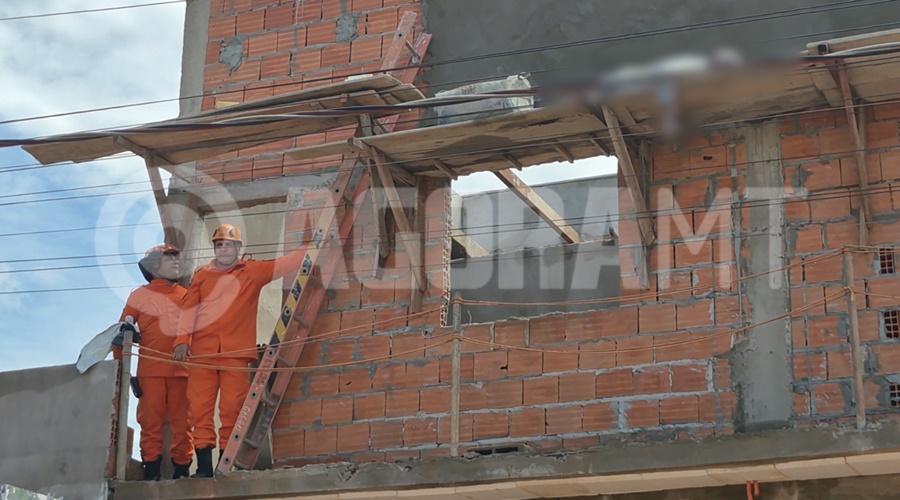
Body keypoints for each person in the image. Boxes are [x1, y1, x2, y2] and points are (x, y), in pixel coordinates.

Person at [174, 224, 309, 477]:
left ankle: (224, 466)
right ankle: (203, 468)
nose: (223, 249)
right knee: (200, 410)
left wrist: (312, 246)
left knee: (231, 410)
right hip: (202, 355)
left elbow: (283, 265)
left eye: (228, 244)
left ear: (238, 247)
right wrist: (182, 340)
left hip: (234, 355)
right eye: (219, 245)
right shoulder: (202, 275)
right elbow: (188, 310)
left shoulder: (252, 271)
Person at [114, 244, 193, 481]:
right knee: (150, 424)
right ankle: (152, 473)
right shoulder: (138, 296)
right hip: (149, 373)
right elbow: (121, 333)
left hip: (183, 372)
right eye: (170, 258)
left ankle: (182, 472)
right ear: (155, 265)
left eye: (177, 258)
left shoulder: (187, 295)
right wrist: (120, 372)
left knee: (184, 424)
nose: (176, 262)